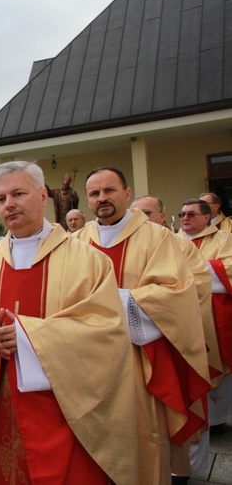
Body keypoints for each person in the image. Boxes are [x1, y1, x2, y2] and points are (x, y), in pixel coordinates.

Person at [0, 161, 140, 482]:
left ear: (42, 197)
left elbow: (106, 330)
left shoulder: (87, 260)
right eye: (0, 198)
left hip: (64, 410)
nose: (8, 204)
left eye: (18, 193)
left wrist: (26, 336)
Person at [76, 167, 210, 482]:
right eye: (95, 194)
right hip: (89, 358)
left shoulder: (158, 237)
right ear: (87, 200)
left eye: (109, 190)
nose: (102, 199)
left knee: (144, 431)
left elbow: (175, 294)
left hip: (140, 357)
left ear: (127, 193)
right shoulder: (76, 242)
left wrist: (108, 304)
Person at [134, 196, 221, 481]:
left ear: (161, 217)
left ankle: (181, 470)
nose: (140, 218)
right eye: (136, 213)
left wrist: (142, 303)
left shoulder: (178, 244)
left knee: (175, 410)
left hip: (171, 341)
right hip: (125, 346)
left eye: (146, 212)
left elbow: (197, 286)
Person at [178, 200, 232, 447]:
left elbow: (229, 269)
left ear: (208, 216)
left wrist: (194, 269)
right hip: (182, 316)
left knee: (217, 362)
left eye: (191, 214)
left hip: (213, 314)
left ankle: (219, 419)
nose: (185, 218)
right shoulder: (171, 240)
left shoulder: (223, 238)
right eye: (182, 214)